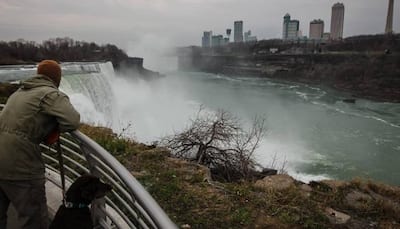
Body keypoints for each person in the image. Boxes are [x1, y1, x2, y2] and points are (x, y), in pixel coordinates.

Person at [0, 60, 80, 229]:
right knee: (33, 220)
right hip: (21, 165)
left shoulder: (19, 92)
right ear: (57, 79)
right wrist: (54, 131)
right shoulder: (50, 94)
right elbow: (72, 120)